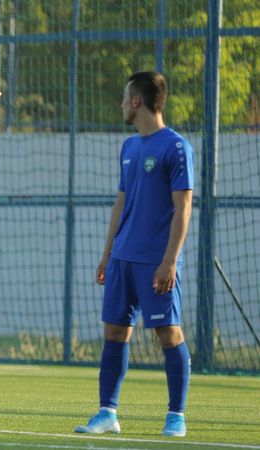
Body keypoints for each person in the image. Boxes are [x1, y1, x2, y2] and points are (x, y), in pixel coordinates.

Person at [74, 71, 194, 437]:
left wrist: (170, 260)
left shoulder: (175, 147)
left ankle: (176, 416)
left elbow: (183, 208)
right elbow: (121, 203)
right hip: (122, 259)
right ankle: (107, 412)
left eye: (126, 98)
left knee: (168, 334)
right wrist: (107, 253)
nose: (122, 104)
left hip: (155, 261)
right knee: (114, 332)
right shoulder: (129, 147)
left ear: (138, 101)